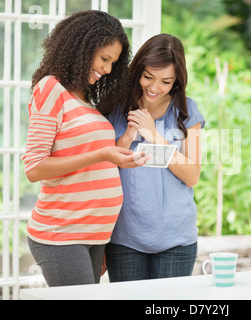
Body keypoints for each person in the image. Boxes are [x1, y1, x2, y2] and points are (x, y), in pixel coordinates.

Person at [22, 10, 148, 287]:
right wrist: (103, 154)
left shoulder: (83, 99)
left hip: (92, 236)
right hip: (62, 233)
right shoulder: (50, 88)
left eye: (113, 63)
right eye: (104, 59)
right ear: (82, 47)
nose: (107, 69)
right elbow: (34, 168)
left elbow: (89, 159)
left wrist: (125, 140)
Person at [105, 33, 205, 281]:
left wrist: (154, 136)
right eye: (148, 77)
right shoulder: (114, 107)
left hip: (176, 238)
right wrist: (128, 136)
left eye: (165, 81)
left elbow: (192, 175)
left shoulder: (187, 111)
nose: (154, 87)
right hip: (125, 237)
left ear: (176, 81)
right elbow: (106, 165)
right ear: (138, 70)